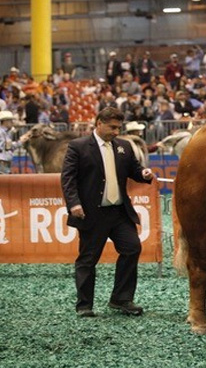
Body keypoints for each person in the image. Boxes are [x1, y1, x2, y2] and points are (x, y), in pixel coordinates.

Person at [61, 107, 156, 318]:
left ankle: (121, 299)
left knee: (132, 248)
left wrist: (144, 173)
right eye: (112, 127)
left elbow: (134, 170)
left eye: (118, 127)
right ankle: (84, 305)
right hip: (91, 214)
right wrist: (74, 204)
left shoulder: (124, 146)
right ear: (99, 123)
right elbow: (68, 179)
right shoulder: (78, 147)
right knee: (88, 259)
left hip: (119, 213)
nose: (116, 131)